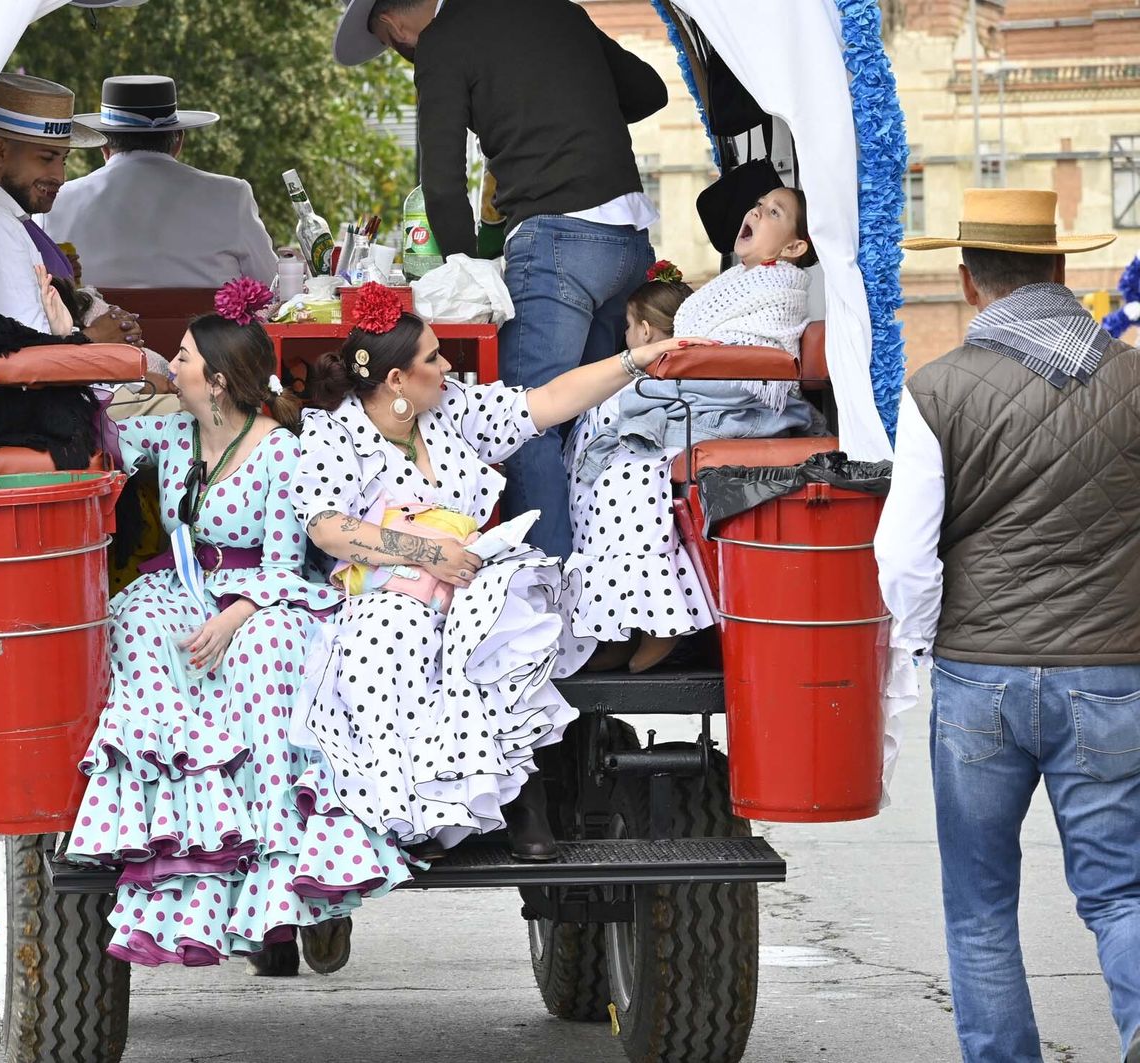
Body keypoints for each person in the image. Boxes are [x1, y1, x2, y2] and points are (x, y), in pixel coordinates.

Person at [62, 279, 411, 973]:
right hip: (186, 582)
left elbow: (288, 564)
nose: (174, 363)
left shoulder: (282, 450)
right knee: (135, 618)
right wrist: (72, 339)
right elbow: (97, 426)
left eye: (184, 357)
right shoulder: (169, 430)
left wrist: (236, 616)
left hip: (265, 593)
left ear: (217, 381)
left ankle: (302, 892)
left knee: (265, 653)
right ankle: (189, 834)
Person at [294, 283, 709, 861]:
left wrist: (634, 360)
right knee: (394, 637)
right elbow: (327, 529)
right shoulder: (333, 433)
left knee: (509, 612)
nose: (447, 367)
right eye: (433, 358)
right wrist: (423, 553)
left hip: (468, 573)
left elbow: (547, 402)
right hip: (388, 584)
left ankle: (524, 798)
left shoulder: (451, 409)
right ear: (396, 381)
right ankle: (424, 809)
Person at [876, 188, 1139, 1063]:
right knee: (1121, 893)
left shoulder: (937, 387)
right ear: (1062, 270)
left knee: (981, 905)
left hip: (979, 675)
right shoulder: (1134, 379)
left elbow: (905, 557)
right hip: (1111, 674)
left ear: (967, 280)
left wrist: (916, 649)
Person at [333, 0, 668, 559]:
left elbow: (439, 184)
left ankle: (550, 615)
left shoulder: (440, 42)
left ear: (392, 27)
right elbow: (647, 92)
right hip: (629, 239)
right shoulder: (555, 9)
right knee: (591, 422)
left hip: (556, 240)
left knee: (524, 422)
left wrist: (468, 271)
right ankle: (612, 597)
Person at [569, 186, 820, 673]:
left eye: (773, 212)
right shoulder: (741, 281)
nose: (755, 211)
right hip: (705, 389)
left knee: (628, 480)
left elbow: (747, 363)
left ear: (793, 248)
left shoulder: (779, 288)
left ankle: (660, 622)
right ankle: (615, 622)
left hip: (738, 405)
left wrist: (672, 377)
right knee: (598, 477)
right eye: (758, 203)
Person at [564, 262, 712, 673]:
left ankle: (658, 624)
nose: (626, 336)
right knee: (590, 506)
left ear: (645, 331)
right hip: (610, 461)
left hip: (641, 459)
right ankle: (617, 631)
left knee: (622, 495)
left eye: (629, 326)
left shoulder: (649, 379)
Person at [45, 75, 280, 290]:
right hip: (204, 337)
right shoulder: (232, 195)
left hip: (99, 336)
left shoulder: (55, 201)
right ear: (178, 141)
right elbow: (272, 286)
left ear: (103, 146)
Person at [0, 71, 139, 345]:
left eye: (63, 160)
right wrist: (94, 339)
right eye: (47, 158)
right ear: (0, 152)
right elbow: (25, 356)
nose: (60, 177)